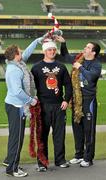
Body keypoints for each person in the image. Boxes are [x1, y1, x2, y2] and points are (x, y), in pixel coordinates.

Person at [56, 36, 102, 167]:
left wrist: (80, 67)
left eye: (88, 47)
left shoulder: (96, 65)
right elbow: (65, 55)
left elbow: (91, 77)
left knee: (89, 130)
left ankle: (88, 158)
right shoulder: (79, 58)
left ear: (93, 52)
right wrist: (63, 43)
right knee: (77, 128)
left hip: (88, 101)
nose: (85, 48)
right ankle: (79, 155)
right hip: (76, 99)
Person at [3, 37, 43, 177]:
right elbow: (17, 91)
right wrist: (31, 100)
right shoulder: (15, 71)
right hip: (17, 106)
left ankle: (9, 161)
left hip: (13, 105)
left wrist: (37, 41)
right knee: (17, 138)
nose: (22, 53)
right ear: (15, 56)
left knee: (14, 137)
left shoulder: (16, 64)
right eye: (19, 52)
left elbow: (27, 53)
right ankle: (12, 169)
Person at [31, 38, 72, 172]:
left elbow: (68, 84)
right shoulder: (36, 67)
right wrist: (33, 99)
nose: (52, 51)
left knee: (59, 135)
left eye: (54, 49)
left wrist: (66, 99)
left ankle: (60, 160)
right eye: (49, 49)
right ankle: (42, 163)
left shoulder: (61, 67)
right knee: (42, 135)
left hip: (59, 106)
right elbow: (31, 86)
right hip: (42, 106)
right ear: (44, 51)